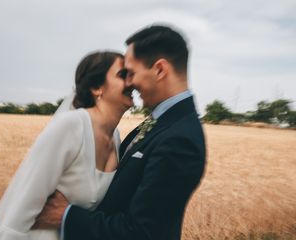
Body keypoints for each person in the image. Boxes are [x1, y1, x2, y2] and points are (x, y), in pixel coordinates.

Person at [34, 25, 206, 240]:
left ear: (160, 70)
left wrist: (66, 215)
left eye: (131, 73)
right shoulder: (162, 123)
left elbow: (144, 233)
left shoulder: (180, 139)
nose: (130, 83)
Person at [0, 51, 133, 240]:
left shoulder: (115, 137)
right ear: (96, 87)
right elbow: (22, 207)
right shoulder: (71, 126)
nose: (131, 82)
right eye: (122, 75)